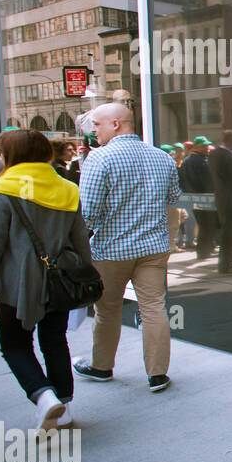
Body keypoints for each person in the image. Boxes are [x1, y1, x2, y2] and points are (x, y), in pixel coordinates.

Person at [0, 129, 91, 429]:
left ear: (9, 155)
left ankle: (43, 396)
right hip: (61, 279)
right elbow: (80, 240)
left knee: (15, 345)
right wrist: (85, 278)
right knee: (54, 340)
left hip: (14, 285)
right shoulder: (67, 188)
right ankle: (63, 407)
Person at [73, 103, 182, 393]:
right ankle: (157, 375)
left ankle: (101, 367)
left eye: (97, 124)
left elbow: (89, 213)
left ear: (117, 123)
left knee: (107, 310)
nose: (93, 130)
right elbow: (173, 197)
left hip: (111, 250)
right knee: (154, 309)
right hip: (153, 247)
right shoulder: (162, 157)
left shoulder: (99, 160)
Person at [208, 130, 232, 273]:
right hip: (231, 200)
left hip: (222, 199)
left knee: (228, 232)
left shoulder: (214, 154)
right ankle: (226, 265)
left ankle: (226, 262)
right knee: (229, 233)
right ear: (231, 140)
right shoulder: (227, 157)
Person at [178, 137, 216, 259]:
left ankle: (205, 249)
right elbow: (206, 181)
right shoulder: (198, 161)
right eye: (204, 147)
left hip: (193, 197)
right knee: (206, 225)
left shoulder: (188, 160)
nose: (207, 149)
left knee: (203, 224)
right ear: (197, 147)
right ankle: (204, 250)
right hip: (202, 197)